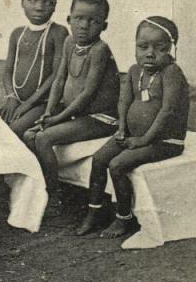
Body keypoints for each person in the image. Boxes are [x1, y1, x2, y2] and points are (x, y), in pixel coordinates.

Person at [77, 17, 190, 238]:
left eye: (160, 48)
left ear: (172, 49)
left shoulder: (171, 73)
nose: (150, 53)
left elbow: (167, 112)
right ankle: (94, 212)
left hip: (164, 141)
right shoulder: (134, 71)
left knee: (118, 165)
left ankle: (123, 218)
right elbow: (124, 102)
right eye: (143, 46)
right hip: (133, 135)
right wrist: (121, 128)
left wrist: (144, 140)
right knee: (99, 159)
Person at [24, 0, 120, 217]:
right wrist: (48, 112)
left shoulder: (100, 50)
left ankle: (53, 196)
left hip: (100, 118)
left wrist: (57, 119)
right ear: (69, 20)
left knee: (44, 137)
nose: (84, 25)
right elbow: (59, 80)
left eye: (93, 21)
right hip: (74, 114)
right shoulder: (69, 42)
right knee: (30, 135)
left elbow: (88, 94)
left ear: (104, 26)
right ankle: (44, 186)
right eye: (79, 18)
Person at [0, 0, 69, 137]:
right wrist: (11, 97)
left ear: (54, 6)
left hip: (44, 104)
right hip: (17, 100)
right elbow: (8, 70)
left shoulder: (58, 32)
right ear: (22, 1)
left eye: (47, 2)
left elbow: (57, 74)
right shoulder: (17, 34)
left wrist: (29, 104)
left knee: (14, 130)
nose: (39, 7)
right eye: (33, 0)